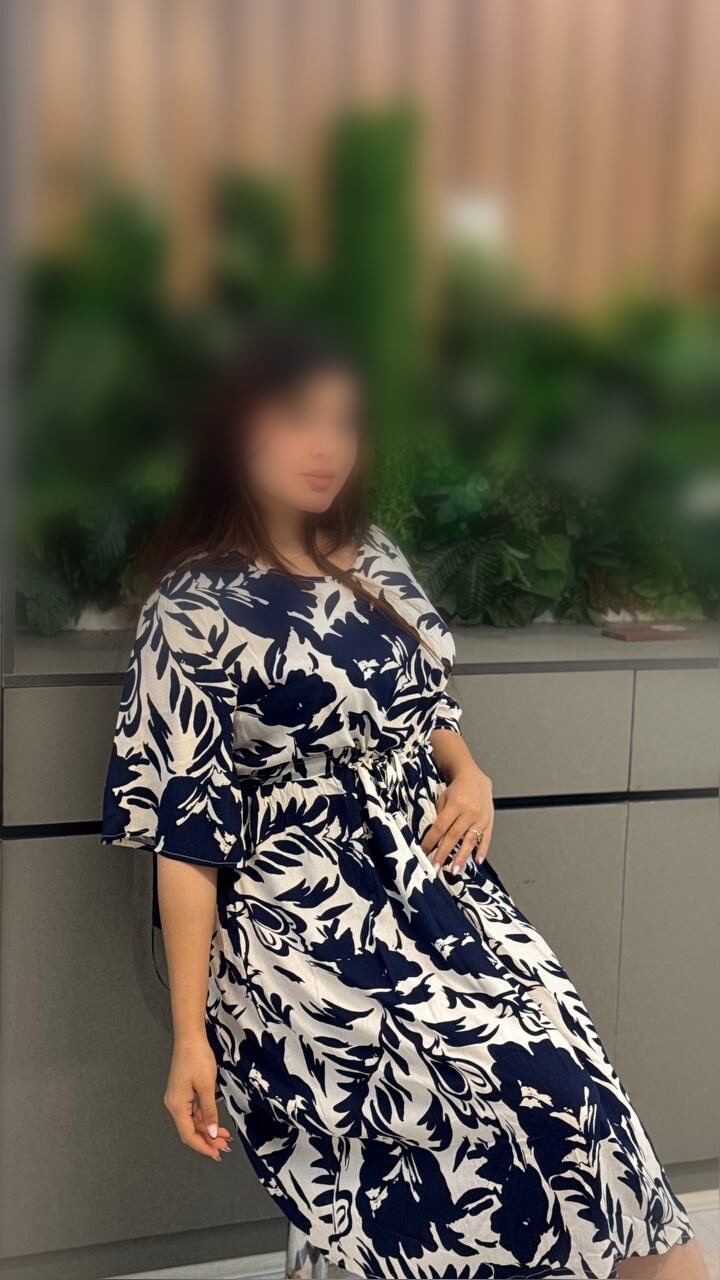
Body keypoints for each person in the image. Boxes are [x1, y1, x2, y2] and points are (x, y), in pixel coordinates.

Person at [102, 329, 704, 1279]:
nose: (329, 446)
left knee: (574, 1079)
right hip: (294, 925)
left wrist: (470, 773)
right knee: (494, 1090)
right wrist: (189, 1039)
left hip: (433, 889)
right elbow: (184, 838)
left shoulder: (371, 557)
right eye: (300, 419)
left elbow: (426, 707)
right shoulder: (191, 608)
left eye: (345, 422)